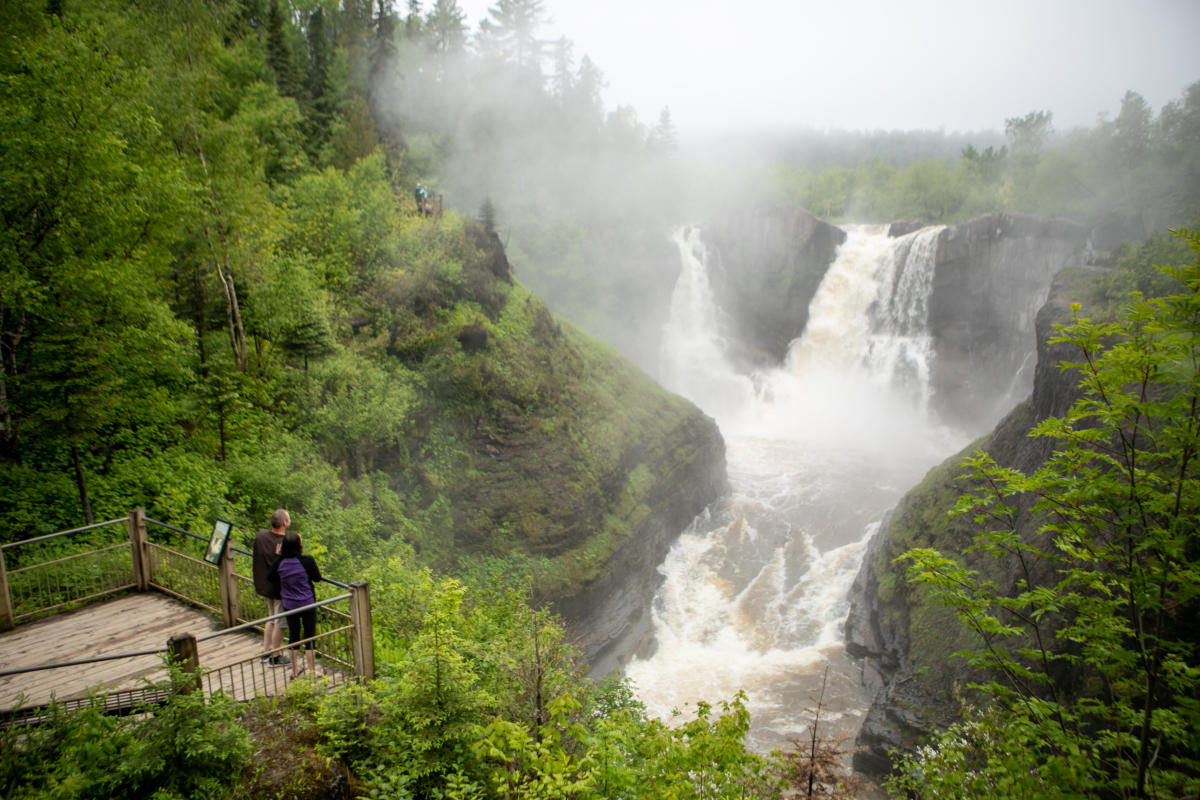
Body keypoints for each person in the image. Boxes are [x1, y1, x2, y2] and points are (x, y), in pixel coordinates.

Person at [269, 530, 322, 678]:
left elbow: (271, 576)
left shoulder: (280, 562)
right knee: (309, 637)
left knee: (294, 636)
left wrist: (278, 556)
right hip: (307, 603)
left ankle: (295, 669)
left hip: (290, 605)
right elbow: (317, 578)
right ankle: (311, 670)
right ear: (299, 545)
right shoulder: (307, 560)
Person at [252, 509, 290, 666]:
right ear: (284, 523)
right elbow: (287, 565)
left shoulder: (260, 536)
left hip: (264, 585)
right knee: (280, 623)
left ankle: (265, 651)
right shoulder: (285, 542)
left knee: (271, 619)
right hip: (279, 589)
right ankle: (275, 656)